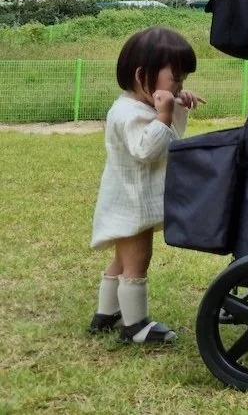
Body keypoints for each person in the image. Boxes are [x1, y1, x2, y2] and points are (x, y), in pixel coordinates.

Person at [88, 27, 205, 344]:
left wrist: (176, 107)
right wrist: (164, 115)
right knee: (137, 261)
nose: (180, 86)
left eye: (183, 80)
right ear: (142, 75)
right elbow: (148, 149)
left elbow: (170, 138)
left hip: (128, 200)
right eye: (175, 79)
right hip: (132, 204)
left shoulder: (138, 107)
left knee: (121, 261)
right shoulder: (129, 113)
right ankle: (135, 325)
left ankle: (106, 313)